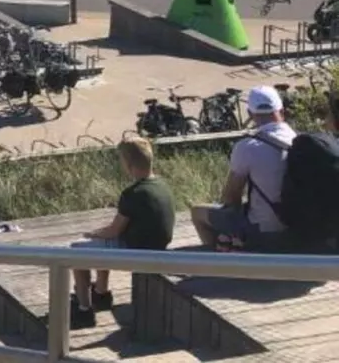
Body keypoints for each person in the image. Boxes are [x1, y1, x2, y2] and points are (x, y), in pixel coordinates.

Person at [70, 138, 174, 328]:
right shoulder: (162, 185)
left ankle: (83, 309)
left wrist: (92, 234)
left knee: (76, 250)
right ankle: (101, 293)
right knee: (102, 246)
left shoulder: (133, 193)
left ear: (129, 165)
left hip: (136, 250)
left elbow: (113, 231)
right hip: (158, 246)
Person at [191, 85, 296, 252]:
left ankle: (218, 266)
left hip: (262, 231)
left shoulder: (247, 147)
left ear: (250, 114)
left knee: (197, 212)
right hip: (294, 226)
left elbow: (231, 198)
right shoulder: (297, 140)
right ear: (281, 111)